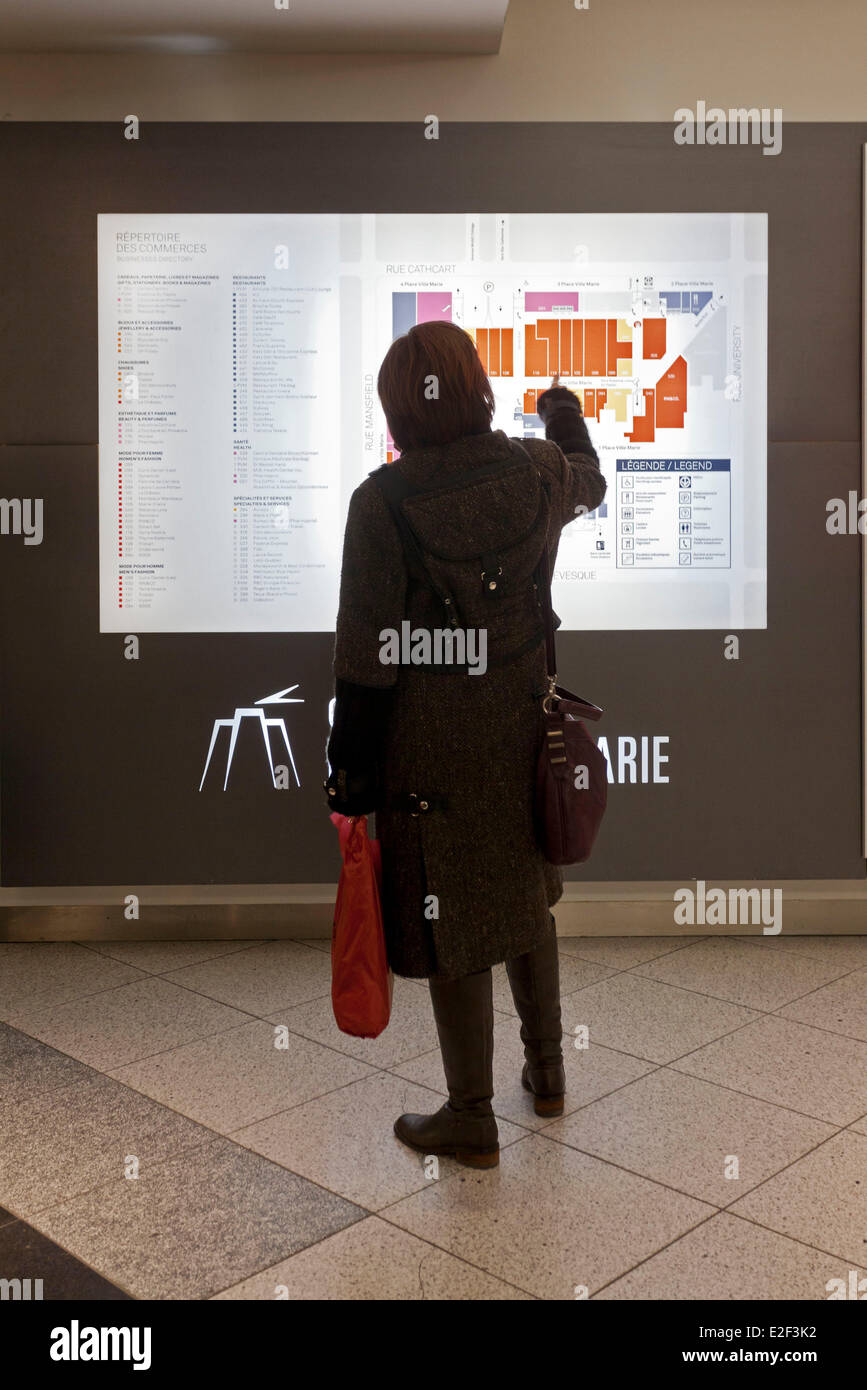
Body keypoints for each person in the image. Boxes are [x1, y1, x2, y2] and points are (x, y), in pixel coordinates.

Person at [325, 320, 605, 1167]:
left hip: (429, 749)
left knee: (453, 915)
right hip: (522, 730)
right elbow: (590, 479)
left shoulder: (383, 505)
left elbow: (366, 660)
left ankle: (470, 1114)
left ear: (397, 409)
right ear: (476, 388)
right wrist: (562, 412)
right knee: (523, 892)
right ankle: (548, 1073)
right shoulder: (533, 469)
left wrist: (351, 778)